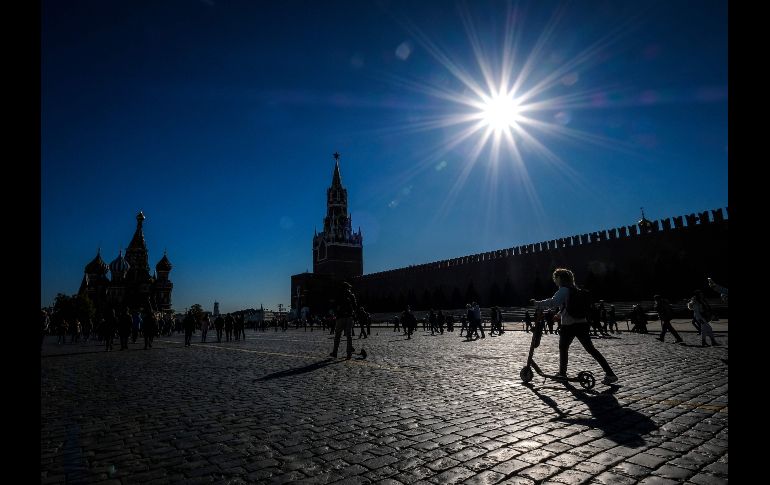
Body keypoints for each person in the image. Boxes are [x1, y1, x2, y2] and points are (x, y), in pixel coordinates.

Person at [530, 268, 618, 385]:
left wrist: (537, 303)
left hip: (569, 326)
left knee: (563, 348)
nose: (555, 281)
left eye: (556, 278)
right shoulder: (575, 290)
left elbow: (553, 302)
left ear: (560, 278)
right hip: (582, 323)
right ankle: (610, 374)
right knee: (591, 349)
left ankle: (562, 373)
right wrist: (559, 314)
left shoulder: (563, 290)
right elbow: (569, 306)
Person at [330, 282, 357, 359]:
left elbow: (334, 306)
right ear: (348, 288)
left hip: (340, 317)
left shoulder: (338, 295)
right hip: (349, 317)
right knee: (349, 336)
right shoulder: (351, 295)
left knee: (337, 336)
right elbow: (355, 306)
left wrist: (337, 313)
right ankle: (349, 354)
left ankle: (335, 352)